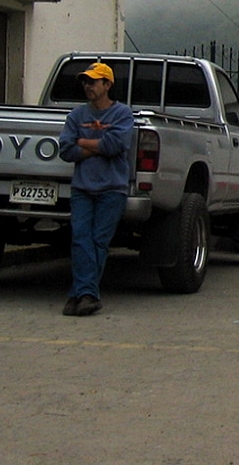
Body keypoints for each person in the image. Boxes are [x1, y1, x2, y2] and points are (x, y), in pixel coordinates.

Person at [57, 61, 134, 317]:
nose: (88, 86)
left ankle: (78, 295)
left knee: (98, 241)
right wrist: (95, 145)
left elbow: (116, 145)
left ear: (107, 84)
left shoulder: (122, 114)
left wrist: (82, 142)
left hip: (112, 189)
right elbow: (66, 150)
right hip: (82, 188)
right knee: (80, 239)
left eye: (93, 81)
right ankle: (86, 295)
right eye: (85, 82)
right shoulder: (76, 115)